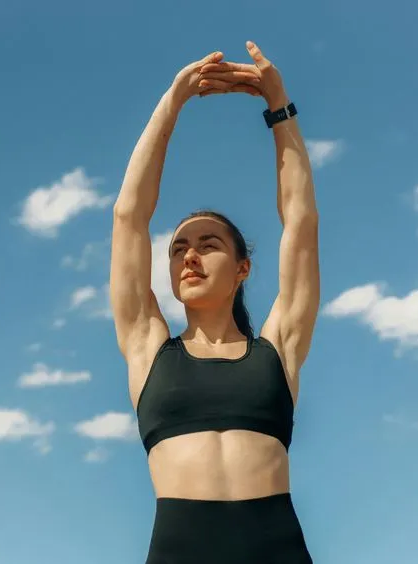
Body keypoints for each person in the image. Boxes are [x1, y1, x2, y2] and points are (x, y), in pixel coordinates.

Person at [109, 40, 320, 564]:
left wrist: (279, 107)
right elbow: (129, 217)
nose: (189, 257)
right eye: (179, 247)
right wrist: (172, 102)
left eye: (209, 245)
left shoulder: (278, 349)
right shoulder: (147, 346)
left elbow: (300, 222)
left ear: (243, 268)